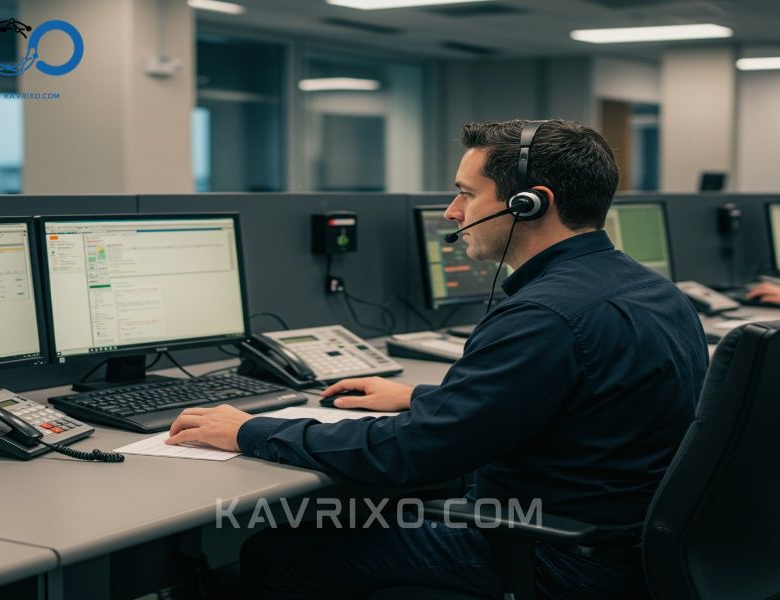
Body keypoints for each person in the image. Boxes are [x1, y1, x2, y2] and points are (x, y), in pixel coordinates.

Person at [166, 119, 709, 598]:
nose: (452, 213)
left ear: (530, 203)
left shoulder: (544, 315)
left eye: (466, 195)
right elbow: (574, 402)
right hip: (626, 543)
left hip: (557, 555)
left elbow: (410, 455)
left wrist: (250, 431)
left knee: (280, 553)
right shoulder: (653, 290)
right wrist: (424, 397)